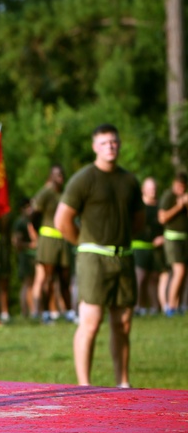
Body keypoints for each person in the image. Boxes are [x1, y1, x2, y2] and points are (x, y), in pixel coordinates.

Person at [54, 124, 142, 387]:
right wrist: (83, 244)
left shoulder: (129, 180)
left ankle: (122, 383)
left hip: (124, 256)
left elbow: (138, 221)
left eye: (114, 142)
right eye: (104, 143)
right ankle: (84, 385)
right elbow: (62, 220)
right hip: (93, 257)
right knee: (91, 322)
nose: (110, 147)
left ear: (119, 144)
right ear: (95, 147)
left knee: (123, 323)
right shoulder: (84, 179)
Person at [31, 165, 74, 324]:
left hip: (63, 240)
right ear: (51, 177)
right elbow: (34, 215)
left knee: (65, 277)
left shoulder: (66, 193)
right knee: (48, 278)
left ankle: (69, 312)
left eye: (62, 174)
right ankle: (46, 313)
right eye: (57, 175)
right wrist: (39, 232)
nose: (60, 177)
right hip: (48, 239)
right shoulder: (45, 193)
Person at [158, 172, 188, 316]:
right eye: (178, 186)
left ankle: (178, 305)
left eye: (183, 187)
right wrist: (179, 206)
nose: (181, 190)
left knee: (184, 273)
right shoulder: (168, 196)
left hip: (184, 238)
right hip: (172, 239)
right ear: (173, 184)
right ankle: (170, 307)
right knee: (179, 271)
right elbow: (162, 218)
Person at [133, 177, 164, 315]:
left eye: (154, 188)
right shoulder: (138, 207)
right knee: (140, 277)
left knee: (154, 278)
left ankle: (154, 308)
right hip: (139, 246)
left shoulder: (160, 207)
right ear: (143, 190)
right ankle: (138, 307)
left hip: (155, 248)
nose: (153, 191)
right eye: (150, 188)